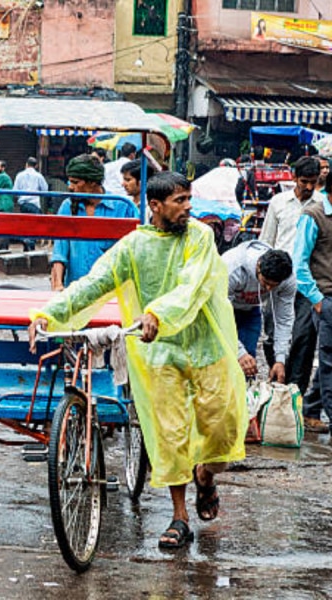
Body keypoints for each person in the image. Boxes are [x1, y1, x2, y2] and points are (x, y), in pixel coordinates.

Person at [29, 172, 247, 550]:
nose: (188, 208)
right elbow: (94, 284)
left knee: (224, 431)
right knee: (169, 434)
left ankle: (206, 476)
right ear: (156, 206)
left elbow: (191, 285)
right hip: (159, 352)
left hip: (206, 345)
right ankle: (179, 517)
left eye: (188, 199)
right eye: (179, 201)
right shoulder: (133, 246)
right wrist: (49, 314)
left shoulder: (201, 237)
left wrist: (158, 313)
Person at [260, 156, 322, 396]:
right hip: (278, 279)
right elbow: (266, 241)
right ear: (294, 177)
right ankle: (277, 384)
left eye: (313, 182)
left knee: (304, 340)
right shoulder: (278, 203)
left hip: (308, 282)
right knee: (273, 336)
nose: (308, 187)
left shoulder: (321, 206)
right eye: (304, 181)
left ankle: (295, 394)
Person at [50, 154, 139, 291]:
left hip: (111, 290)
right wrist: (58, 285)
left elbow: (131, 255)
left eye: (75, 182)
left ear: (92, 183)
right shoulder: (67, 206)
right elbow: (60, 252)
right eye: (70, 182)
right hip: (75, 290)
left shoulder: (123, 207)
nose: (70, 187)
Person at [222, 241, 295, 382]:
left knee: (248, 366)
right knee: (223, 360)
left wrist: (280, 359)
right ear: (258, 267)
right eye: (265, 282)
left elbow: (284, 319)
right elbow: (218, 315)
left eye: (273, 286)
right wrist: (239, 352)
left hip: (250, 311)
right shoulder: (232, 268)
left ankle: (245, 400)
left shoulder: (288, 279)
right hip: (222, 311)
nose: (268, 289)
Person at [294, 172, 332, 433]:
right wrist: (317, 300)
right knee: (329, 362)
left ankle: (310, 407)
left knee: (329, 360)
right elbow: (300, 262)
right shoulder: (313, 216)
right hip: (325, 297)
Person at [13, 157, 48, 252]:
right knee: (34, 225)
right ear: (36, 166)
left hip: (23, 204)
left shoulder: (19, 175)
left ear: (26, 164)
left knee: (25, 224)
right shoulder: (38, 176)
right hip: (34, 204)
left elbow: (15, 191)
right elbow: (45, 189)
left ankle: (26, 242)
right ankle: (31, 243)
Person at [0, 160, 14, 251]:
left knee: (0, 226)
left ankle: (2, 247)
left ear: (3, 168)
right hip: (4, 204)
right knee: (4, 226)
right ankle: (3, 247)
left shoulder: (2, 176)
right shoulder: (3, 176)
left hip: (3, 205)